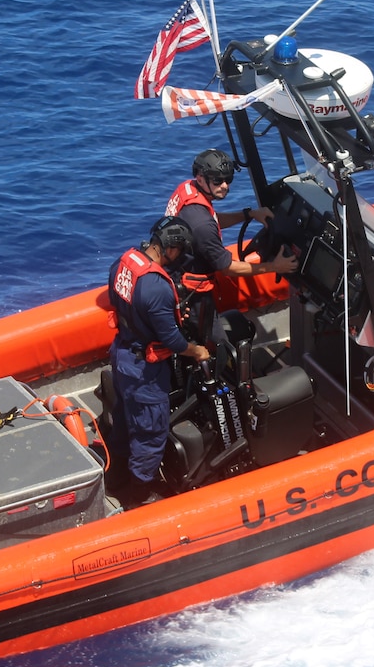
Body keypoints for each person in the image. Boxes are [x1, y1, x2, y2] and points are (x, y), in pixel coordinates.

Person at [107, 215, 212, 504]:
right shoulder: (157, 288)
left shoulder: (124, 262)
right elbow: (174, 342)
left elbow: (117, 300)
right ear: (171, 247)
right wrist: (198, 351)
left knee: (125, 418)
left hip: (122, 354)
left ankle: (114, 477)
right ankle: (140, 494)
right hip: (144, 370)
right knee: (150, 432)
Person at [165, 148, 300, 280]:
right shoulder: (202, 224)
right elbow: (227, 268)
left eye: (228, 179)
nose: (224, 186)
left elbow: (212, 220)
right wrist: (274, 267)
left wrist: (249, 214)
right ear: (200, 179)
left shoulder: (188, 189)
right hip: (188, 281)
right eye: (217, 181)